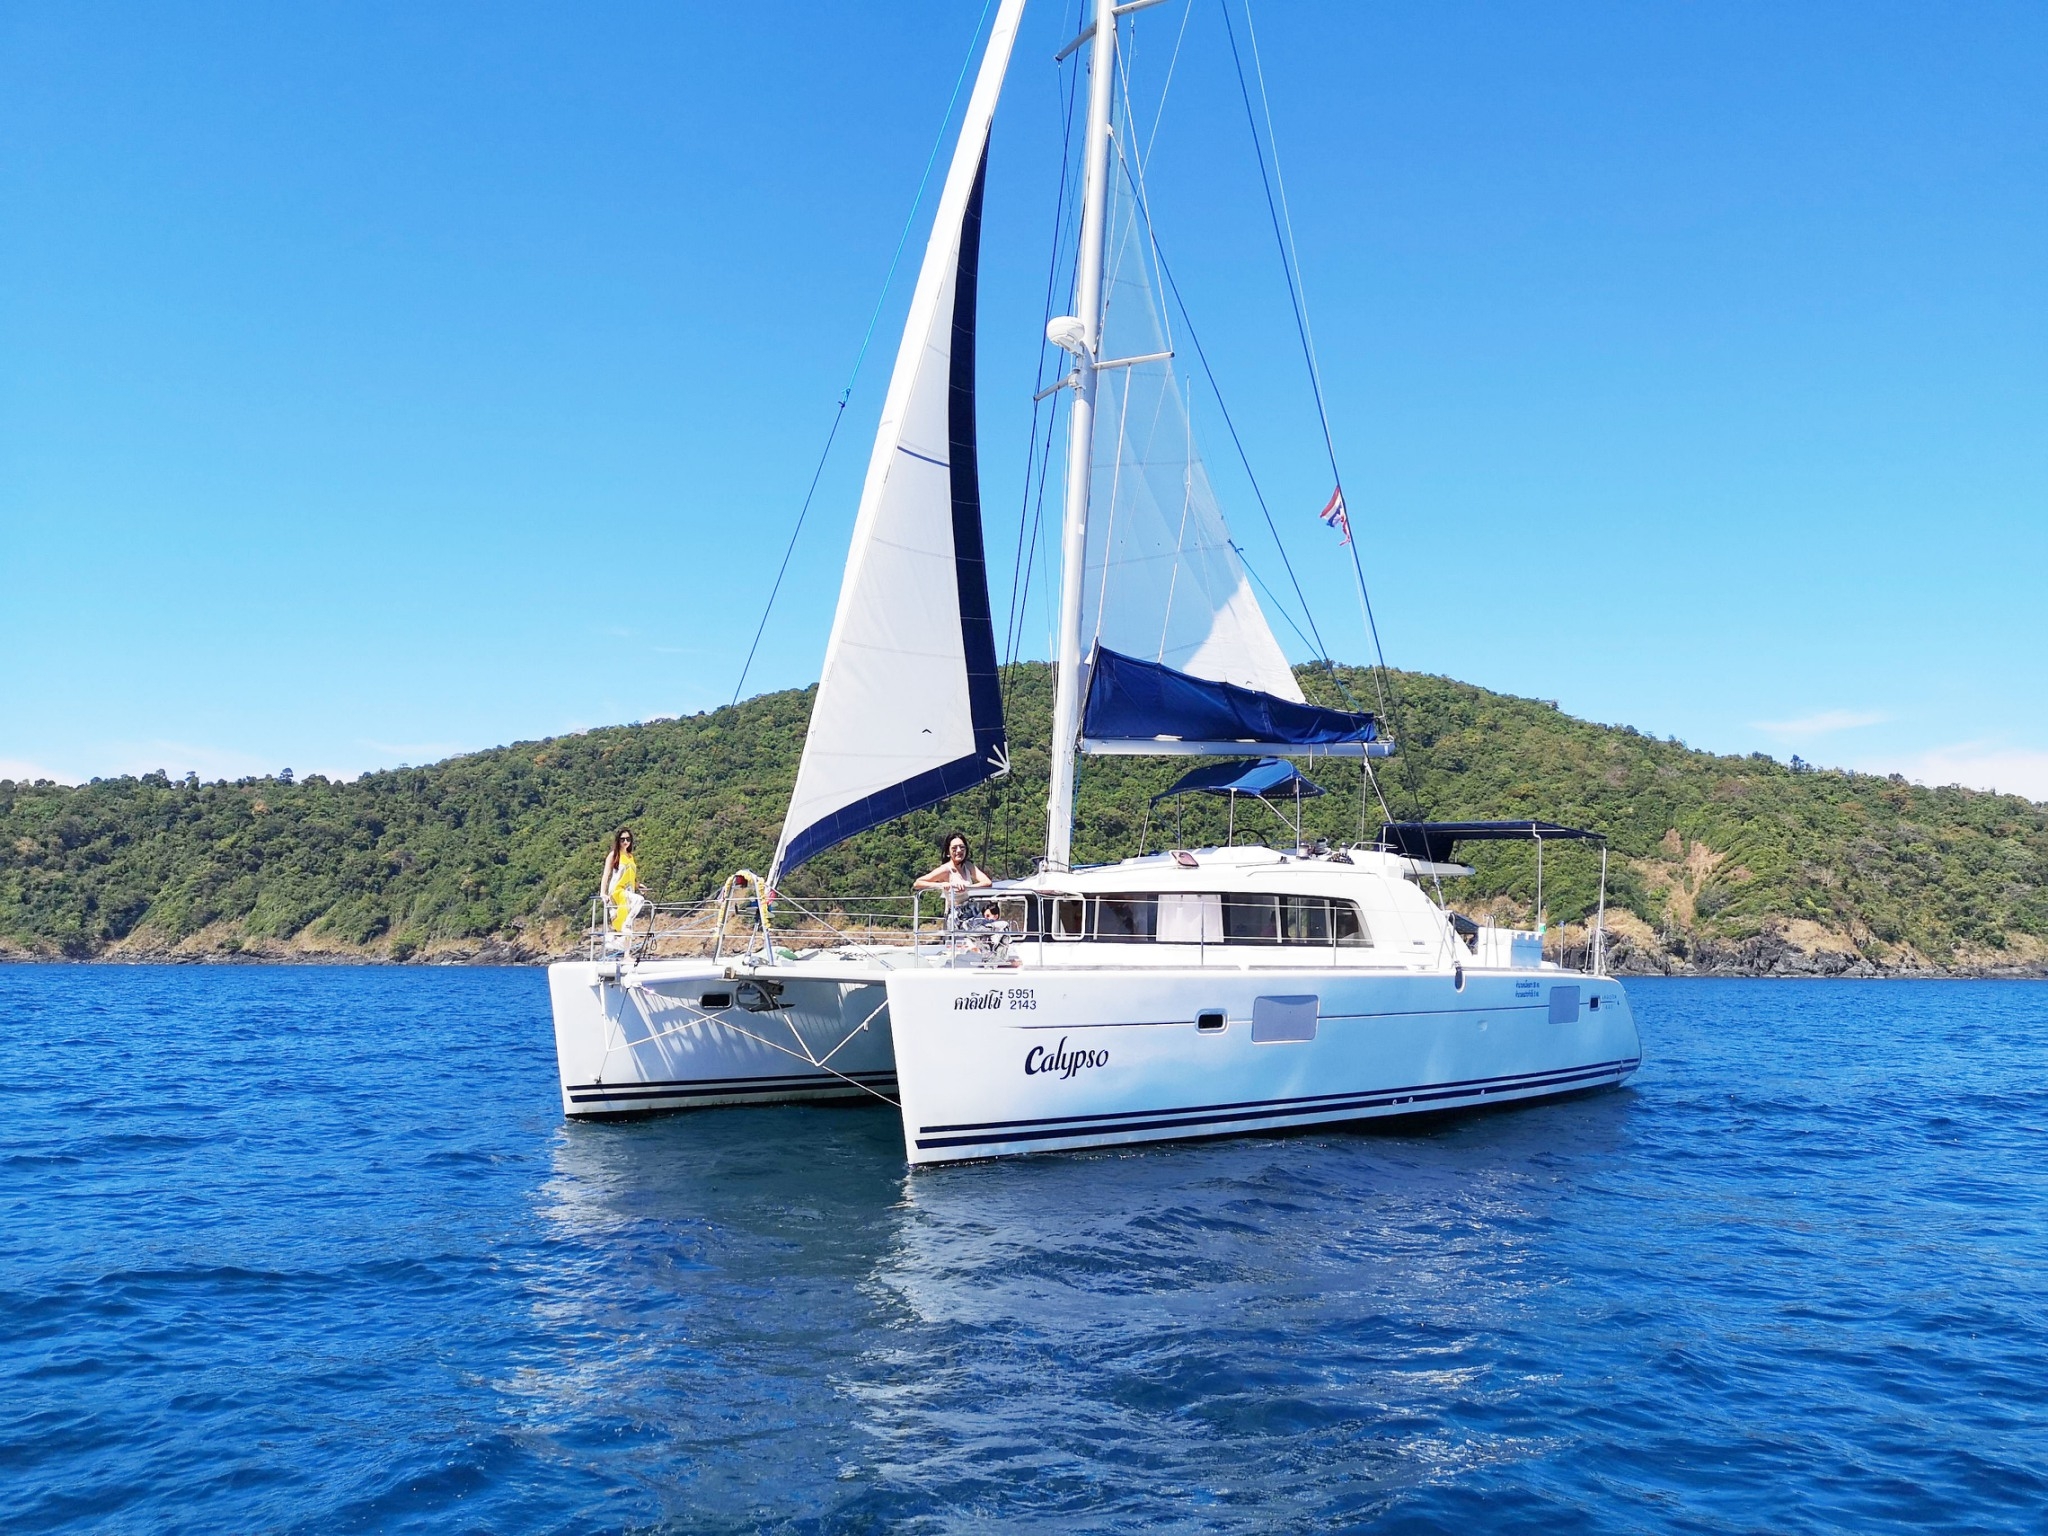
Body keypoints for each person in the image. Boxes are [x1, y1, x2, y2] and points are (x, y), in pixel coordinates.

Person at [915, 831, 992, 924]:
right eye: (954, 848)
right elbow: (918, 883)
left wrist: (968, 887)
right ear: (948, 852)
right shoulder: (945, 869)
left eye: (962, 847)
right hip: (955, 916)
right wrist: (941, 885)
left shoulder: (968, 866)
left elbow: (987, 882)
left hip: (970, 911)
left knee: (999, 926)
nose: (959, 851)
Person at [599, 828, 646, 949]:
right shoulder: (614, 855)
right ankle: (623, 928)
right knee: (639, 900)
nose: (625, 842)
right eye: (622, 839)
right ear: (618, 840)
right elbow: (606, 874)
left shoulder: (630, 856)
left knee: (628, 923)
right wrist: (603, 893)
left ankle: (626, 955)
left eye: (628, 839)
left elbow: (629, 875)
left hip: (628, 891)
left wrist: (637, 885)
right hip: (617, 891)